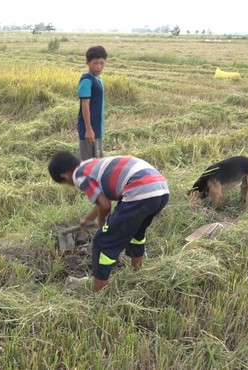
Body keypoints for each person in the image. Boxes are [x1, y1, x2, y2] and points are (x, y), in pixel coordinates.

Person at [48, 151, 170, 292]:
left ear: (64, 176)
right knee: (136, 233)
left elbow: (105, 205)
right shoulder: (91, 164)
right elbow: (103, 198)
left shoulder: (78, 175)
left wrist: (102, 223)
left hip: (138, 191)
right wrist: (89, 218)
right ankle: (137, 274)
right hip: (160, 189)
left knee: (102, 242)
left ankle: (99, 293)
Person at [77, 45, 107, 160]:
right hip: (89, 128)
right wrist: (89, 129)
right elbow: (85, 105)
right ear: (87, 63)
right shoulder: (86, 80)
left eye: (102, 63)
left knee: (98, 160)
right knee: (86, 162)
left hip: (97, 126)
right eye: (95, 63)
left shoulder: (97, 79)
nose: (99, 66)